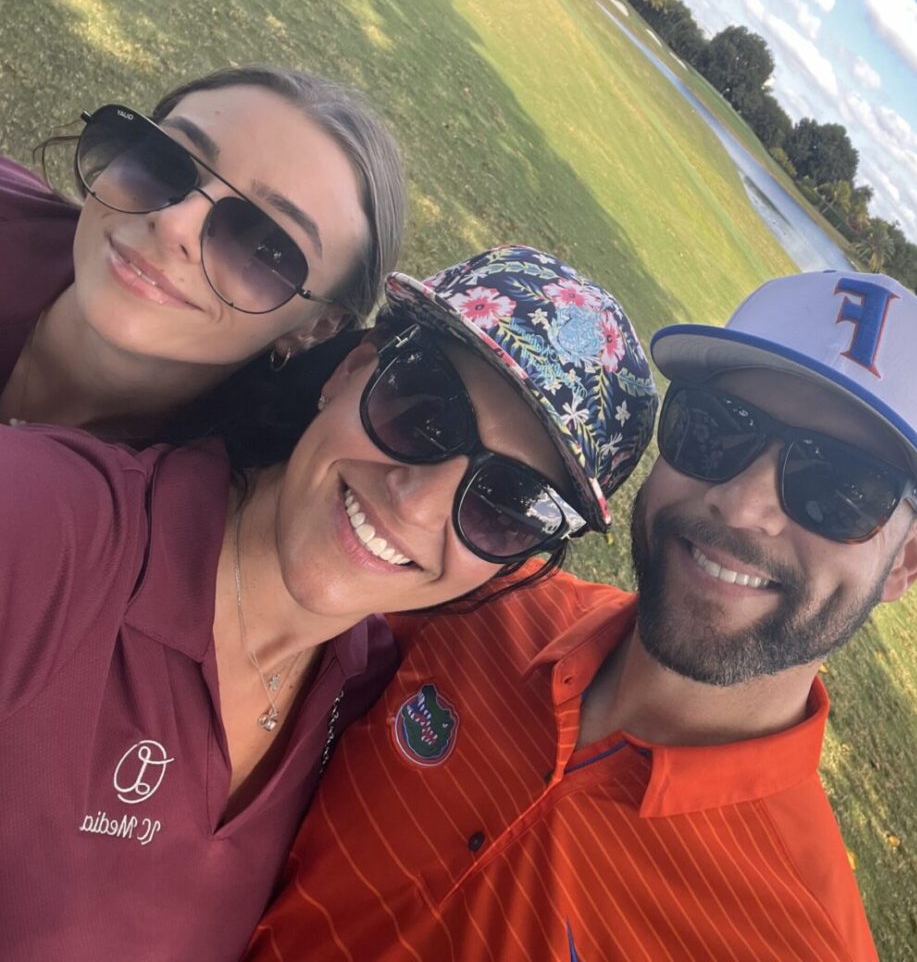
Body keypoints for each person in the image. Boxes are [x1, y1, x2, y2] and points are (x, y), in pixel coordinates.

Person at [249, 269, 917, 959]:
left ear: (911, 560)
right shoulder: (474, 600)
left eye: (841, 486)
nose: (742, 504)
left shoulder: (800, 938)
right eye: (715, 428)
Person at [0, 245, 658, 962]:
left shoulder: (365, 703)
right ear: (350, 371)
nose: (418, 502)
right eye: (424, 413)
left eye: (508, 502)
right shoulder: (40, 527)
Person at [0, 64, 404, 440]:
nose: (174, 224)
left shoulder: (215, 502)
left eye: (268, 246)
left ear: (318, 328)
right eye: (166, 163)